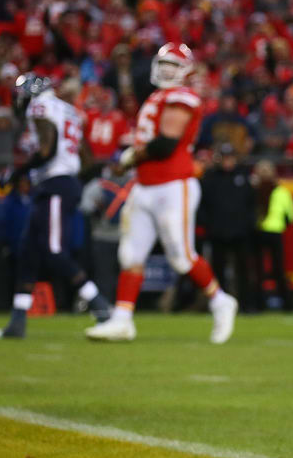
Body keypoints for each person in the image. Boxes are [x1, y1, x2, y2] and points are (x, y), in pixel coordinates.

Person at [86, 43, 239, 343]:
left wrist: (130, 156)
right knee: (130, 253)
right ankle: (122, 320)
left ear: (186, 71)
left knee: (181, 257)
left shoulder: (183, 97)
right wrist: (132, 159)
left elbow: (167, 143)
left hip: (173, 184)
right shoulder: (157, 96)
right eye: (164, 62)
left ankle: (221, 302)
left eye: (174, 64)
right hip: (145, 185)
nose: (167, 69)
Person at [0, 74, 111, 338]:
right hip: (58, 183)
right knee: (28, 252)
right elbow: (86, 156)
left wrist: (20, 172)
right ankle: (17, 321)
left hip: (55, 184)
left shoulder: (42, 106)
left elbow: (47, 150)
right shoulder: (68, 110)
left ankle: (100, 305)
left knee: (54, 250)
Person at [199, 145, 257, 311]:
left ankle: (246, 304)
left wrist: (248, 225)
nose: (227, 161)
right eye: (224, 157)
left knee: (243, 270)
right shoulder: (210, 177)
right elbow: (202, 205)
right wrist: (208, 224)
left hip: (240, 232)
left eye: (230, 157)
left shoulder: (243, 176)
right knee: (218, 270)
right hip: (217, 232)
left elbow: (251, 203)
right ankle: (219, 304)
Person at [79, 151, 133, 304]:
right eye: (115, 164)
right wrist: (97, 210)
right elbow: (85, 206)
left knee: (126, 275)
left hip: (127, 236)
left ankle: (124, 308)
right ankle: (104, 308)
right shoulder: (100, 184)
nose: (118, 167)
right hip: (103, 235)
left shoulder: (135, 184)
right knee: (104, 276)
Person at [252, 160, 293, 312]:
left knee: (263, 270)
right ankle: (286, 305)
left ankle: (260, 305)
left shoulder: (255, 190)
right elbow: (291, 217)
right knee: (274, 270)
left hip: (262, 232)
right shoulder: (280, 191)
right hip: (271, 232)